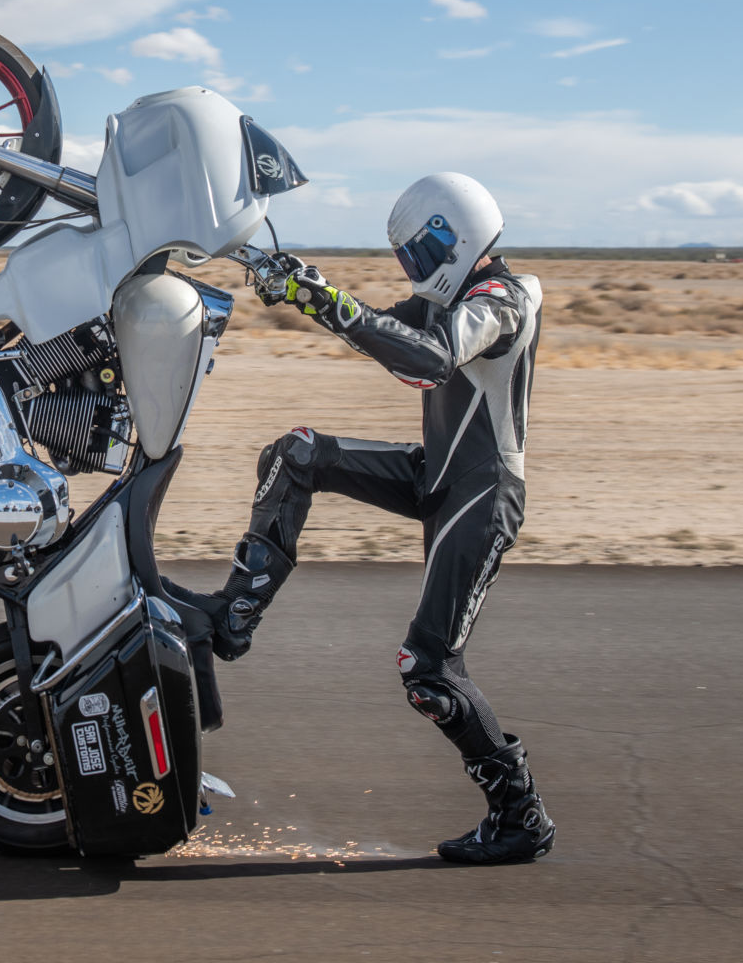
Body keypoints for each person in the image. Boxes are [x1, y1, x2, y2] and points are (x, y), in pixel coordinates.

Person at [170, 172, 556, 864]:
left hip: (481, 495)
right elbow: (381, 329)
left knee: (428, 672)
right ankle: (235, 616)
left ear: (454, 236)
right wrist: (306, 289)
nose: (412, 270)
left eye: (417, 254)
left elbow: (430, 361)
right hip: (436, 473)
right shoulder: (454, 296)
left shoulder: (505, 296)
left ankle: (520, 815)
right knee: (297, 455)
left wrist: (324, 300)